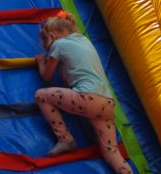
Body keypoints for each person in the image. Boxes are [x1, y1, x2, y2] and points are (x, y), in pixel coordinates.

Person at [34, 13, 133, 174]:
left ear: (51, 35)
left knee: (41, 95)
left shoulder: (57, 45)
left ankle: (65, 138)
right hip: (107, 104)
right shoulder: (84, 40)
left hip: (87, 98)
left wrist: (41, 61)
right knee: (111, 152)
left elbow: (46, 75)